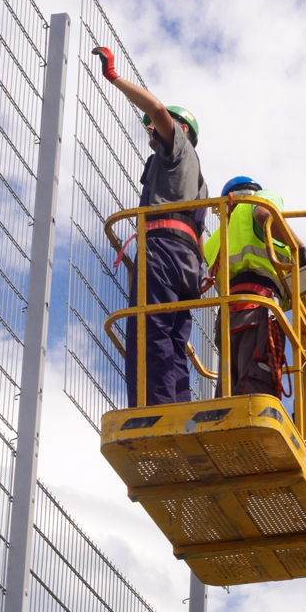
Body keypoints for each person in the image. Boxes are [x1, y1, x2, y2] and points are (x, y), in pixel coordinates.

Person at [93, 46, 208, 407]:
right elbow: (200, 232)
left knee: (150, 327)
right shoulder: (199, 180)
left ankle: (153, 408)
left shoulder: (177, 150)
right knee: (174, 335)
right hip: (187, 259)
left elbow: (157, 109)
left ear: (182, 128)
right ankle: (176, 404)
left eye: (156, 126)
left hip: (162, 248)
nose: (151, 128)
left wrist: (114, 77)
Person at [204, 177, 306, 399]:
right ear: (252, 194)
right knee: (256, 391)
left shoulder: (215, 242)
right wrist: (301, 250)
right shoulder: (261, 200)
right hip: (259, 309)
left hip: (228, 319)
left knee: (228, 393)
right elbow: (263, 214)